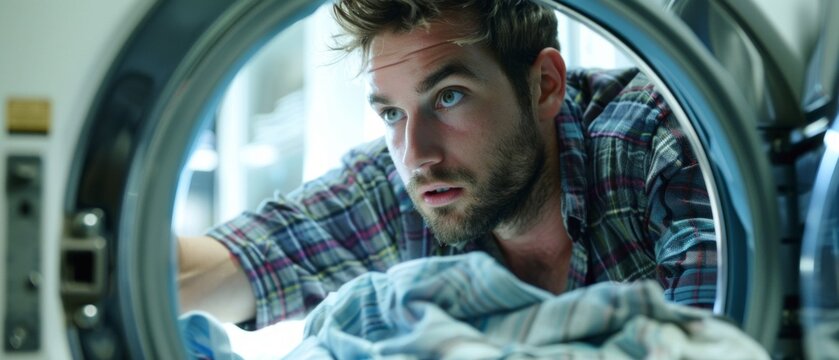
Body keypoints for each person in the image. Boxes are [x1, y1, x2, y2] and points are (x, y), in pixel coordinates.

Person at [178, 0, 717, 328]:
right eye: (391, 112)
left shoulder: (652, 143)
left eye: (449, 96)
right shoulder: (409, 185)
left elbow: (724, 340)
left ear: (544, 86)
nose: (416, 154)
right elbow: (212, 270)